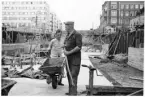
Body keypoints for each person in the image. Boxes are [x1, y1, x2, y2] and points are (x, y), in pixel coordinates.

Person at [63, 21, 82, 95]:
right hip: (68, 59)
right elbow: (65, 44)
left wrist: (68, 52)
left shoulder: (77, 34)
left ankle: (73, 93)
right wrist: (64, 48)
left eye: (66, 26)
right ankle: (71, 91)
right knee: (69, 75)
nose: (65, 27)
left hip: (75, 59)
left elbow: (78, 47)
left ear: (70, 26)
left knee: (73, 75)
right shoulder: (68, 35)